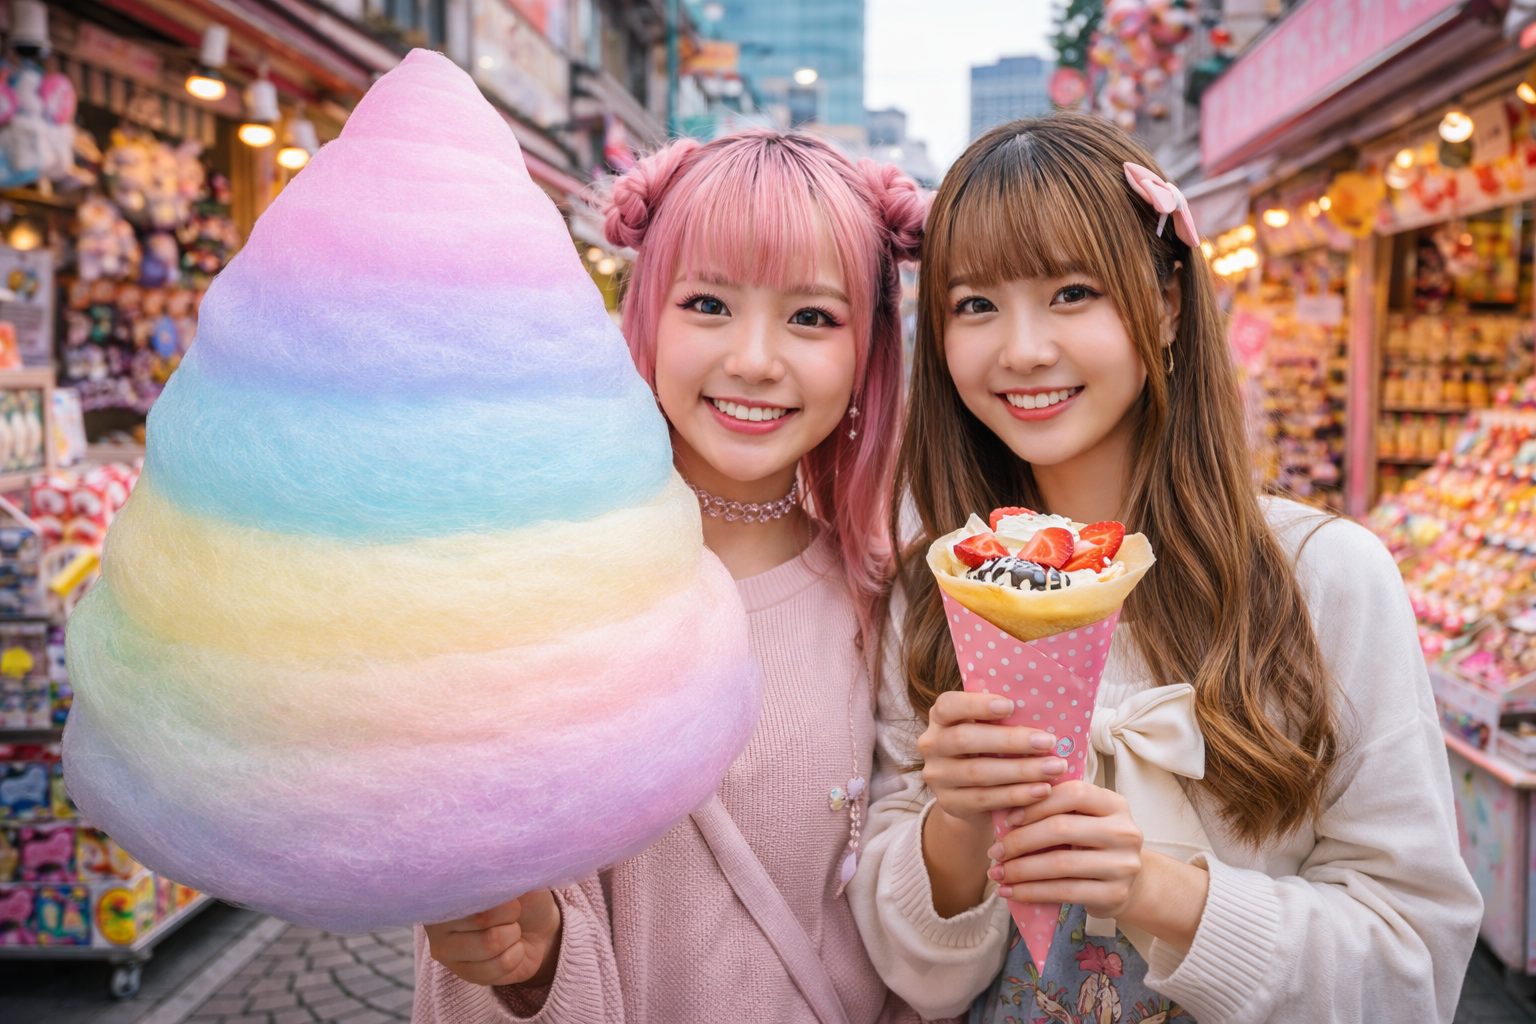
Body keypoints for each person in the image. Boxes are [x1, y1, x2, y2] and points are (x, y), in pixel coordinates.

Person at [846, 113, 1482, 1024]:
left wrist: (1158, 891)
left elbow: (1413, 969)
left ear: (1170, 301)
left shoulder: (1325, 579)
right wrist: (954, 824)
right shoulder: (935, 591)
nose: (1022, 347)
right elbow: (919, 978)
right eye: (975, 304)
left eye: (1072, 292)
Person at [413, 129, 928, 1023]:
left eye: (812, 316)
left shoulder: (887, 599)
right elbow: (509, 924)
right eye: (708, 304)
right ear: (644, 313)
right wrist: (527, 959)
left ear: (869, 355)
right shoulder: (546, 588)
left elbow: (900, 931)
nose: (755, 359)